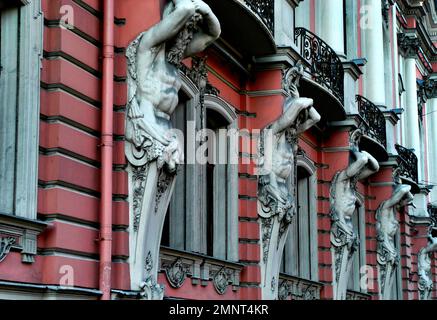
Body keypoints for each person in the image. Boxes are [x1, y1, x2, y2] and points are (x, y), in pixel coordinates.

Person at [125, 0, 221, 171]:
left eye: (192, 30)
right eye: (187, 28)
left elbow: (213, 35)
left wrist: (206, 11)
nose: (189, 36)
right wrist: (192, 6)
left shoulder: (175, 57)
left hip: (168, 135)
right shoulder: (149, 47)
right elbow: (186, 8)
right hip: (147, 128)